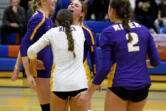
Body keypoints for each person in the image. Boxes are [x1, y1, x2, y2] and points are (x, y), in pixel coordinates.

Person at [78, 0, 160, 111]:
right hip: (142, 86)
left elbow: (106, 67)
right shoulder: (144, 30)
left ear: (112, 11)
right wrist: (138, 62)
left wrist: (89, 93)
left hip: (119, 84)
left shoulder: (108, 32)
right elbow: (155, 62)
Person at [27, 9, 88, 111]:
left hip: (60, 85)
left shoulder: (52, 32)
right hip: (79, 84)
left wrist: (34, 60)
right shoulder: (81, 31)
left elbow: (31, 50)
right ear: (72, 20)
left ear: (56, 22)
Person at [11, 0, 57, 111]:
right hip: (40, 70)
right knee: (48, 107)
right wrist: (28, 74)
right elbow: (24, 46)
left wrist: (17, 68)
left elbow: (26, 44)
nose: (55, 0)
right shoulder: (38, 19)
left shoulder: (48, 18)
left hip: (48, 69)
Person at [68, 0, 98, 110]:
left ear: (82, 13)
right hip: (62, 73)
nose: (72, 5)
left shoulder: (87, 32)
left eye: (76, 5)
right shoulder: (58, 29)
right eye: (71, 4)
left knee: (83, 106)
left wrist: (96, 75)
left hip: (81, 73)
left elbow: (94, 55)